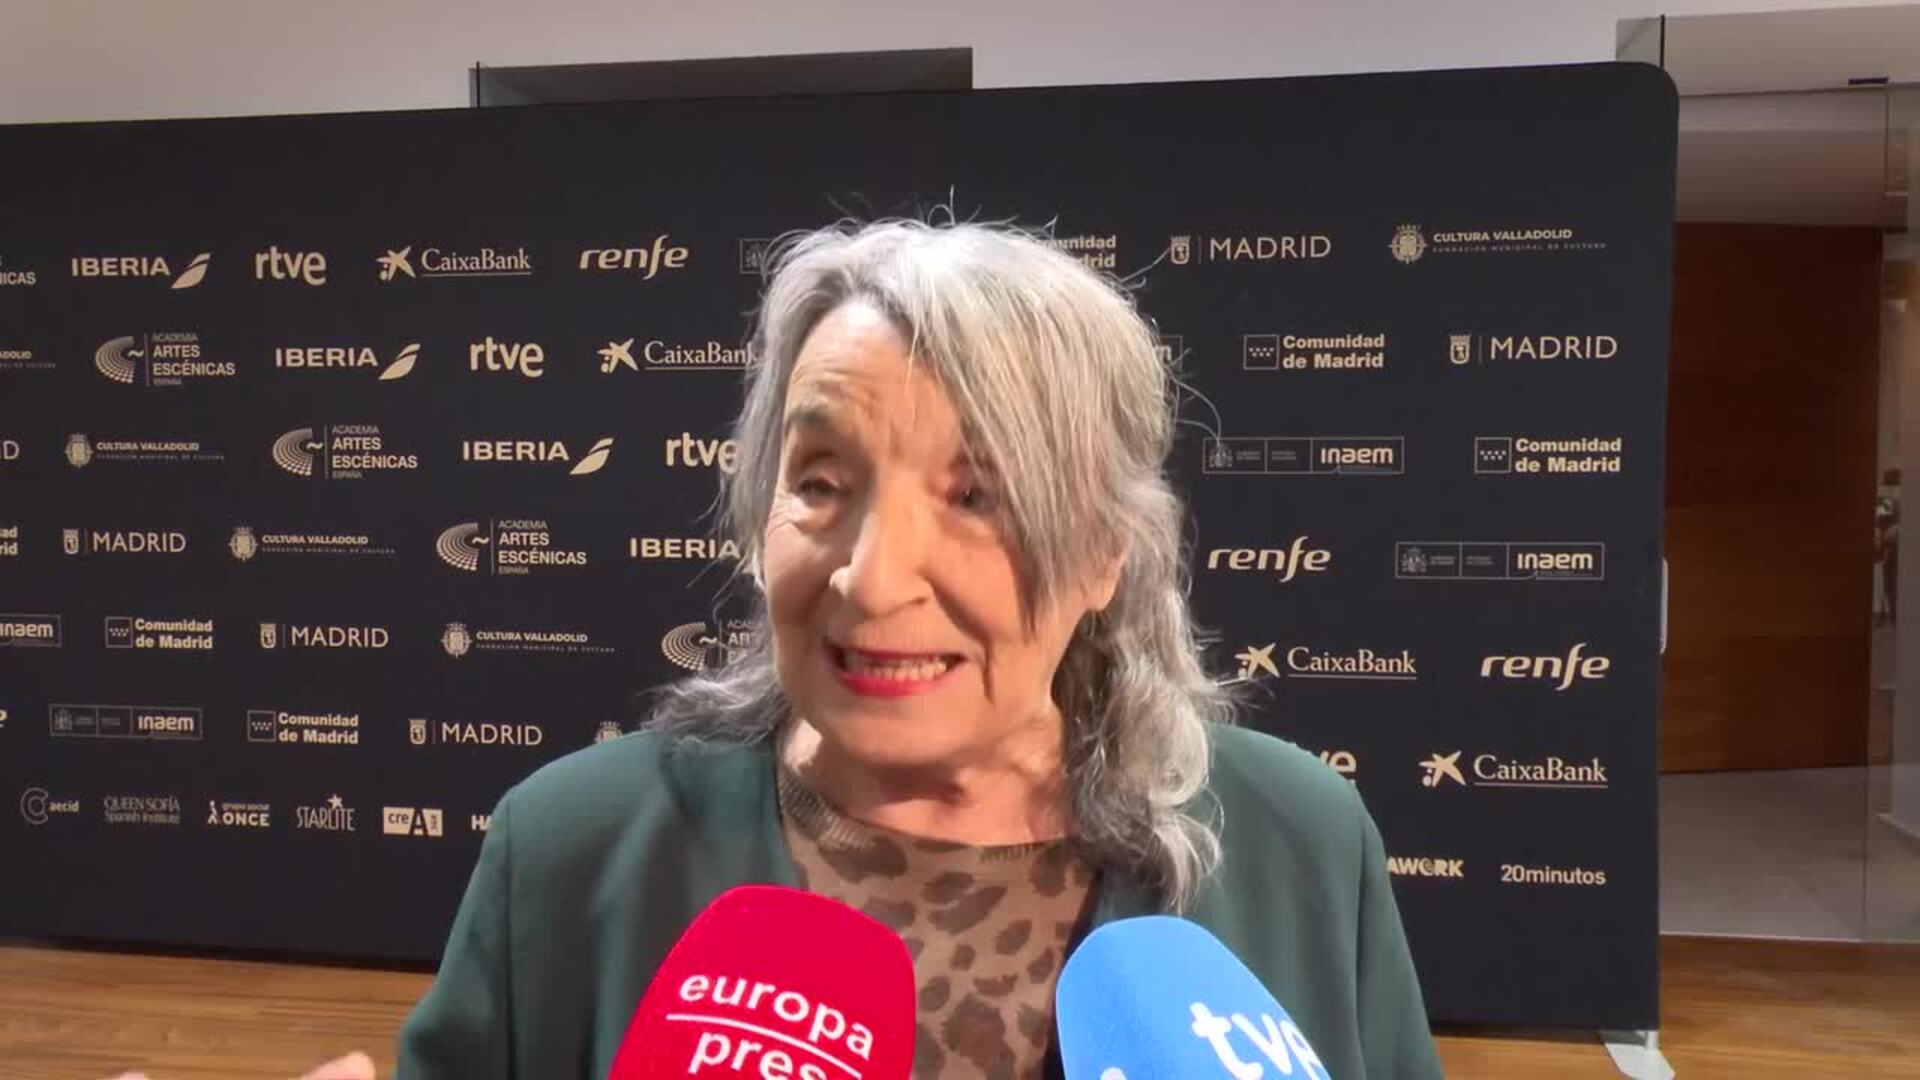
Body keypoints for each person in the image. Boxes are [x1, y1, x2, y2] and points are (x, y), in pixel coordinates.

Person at [396, 219, 1443, 1078]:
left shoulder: (1298, 837)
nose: (871, 577)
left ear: (1104, 555)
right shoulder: (570, 849)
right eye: (820, 483)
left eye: (976, 496)